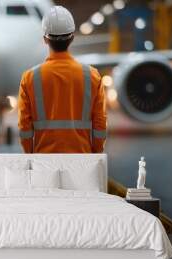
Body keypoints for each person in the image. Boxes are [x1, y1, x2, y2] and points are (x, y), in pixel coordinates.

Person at [18, 6, 107, 153]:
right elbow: (100, 124)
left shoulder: (29, 78)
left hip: (44, 160)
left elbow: (24, 127)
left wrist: (31, 154)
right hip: (81, 159)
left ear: (45, 39)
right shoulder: (92, 75)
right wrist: (94, 154)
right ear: (72, 37)